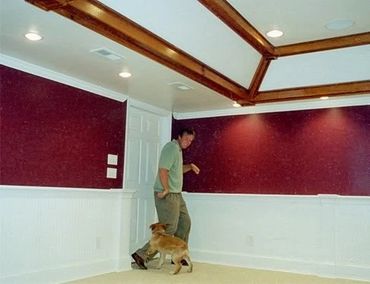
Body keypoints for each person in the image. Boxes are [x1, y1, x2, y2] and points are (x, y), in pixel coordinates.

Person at [131, 128, 200, 269]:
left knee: (185, 223)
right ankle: (142, 254)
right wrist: (166, 189)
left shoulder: (178, 150)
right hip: (167, 194)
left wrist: (190, 167)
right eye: (186, 139)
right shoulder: (171, 148)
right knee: (169, 228)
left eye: (191, 141)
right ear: (179, 136)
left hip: (176, 194)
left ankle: (179, 254)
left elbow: (176, 169)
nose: (188, 142)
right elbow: (163, 169)